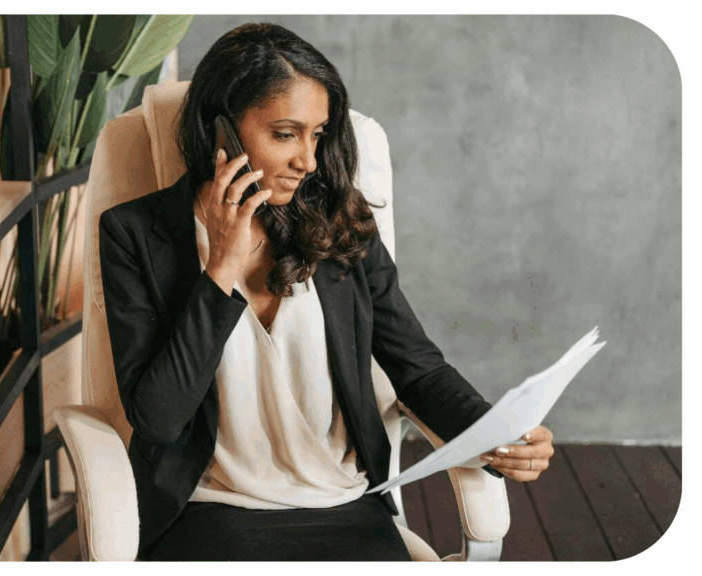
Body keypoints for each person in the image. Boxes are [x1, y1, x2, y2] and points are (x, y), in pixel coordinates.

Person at [98, 22, 555, 561]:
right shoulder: (133, 234)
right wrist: (219, 267)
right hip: (207, 509)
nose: (309, 161)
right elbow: (157, 418)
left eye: (317, 135)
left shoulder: (341, 224)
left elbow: (418, 367)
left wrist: (494, 431)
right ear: (221, 130)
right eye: (286, 134)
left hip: (342, 504)